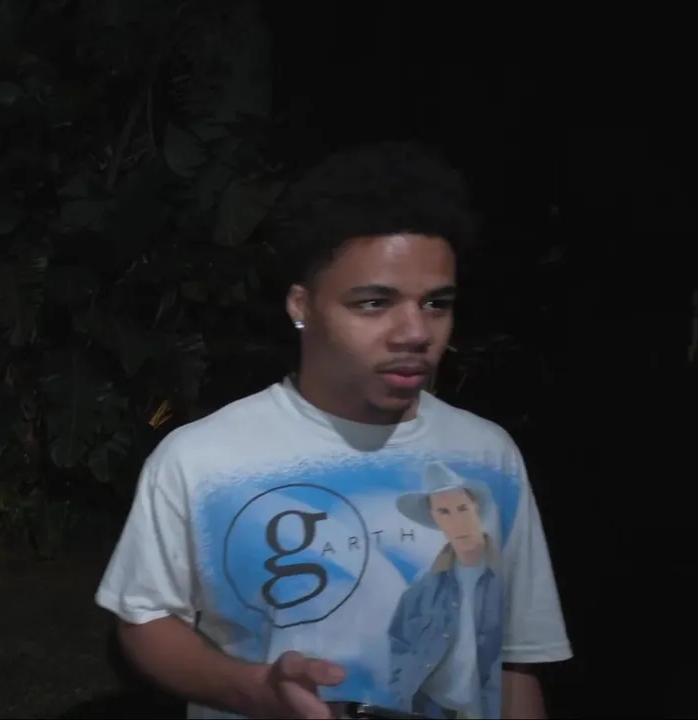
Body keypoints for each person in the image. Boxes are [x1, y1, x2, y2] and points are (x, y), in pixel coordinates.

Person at [94, 141, 571, 720]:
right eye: (374, 303)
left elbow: (514, 657)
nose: (415, 333)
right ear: (302, 305)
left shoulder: (487, 455)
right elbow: (145, 620)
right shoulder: (203, 458)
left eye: (436, 304)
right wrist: (252, 691)